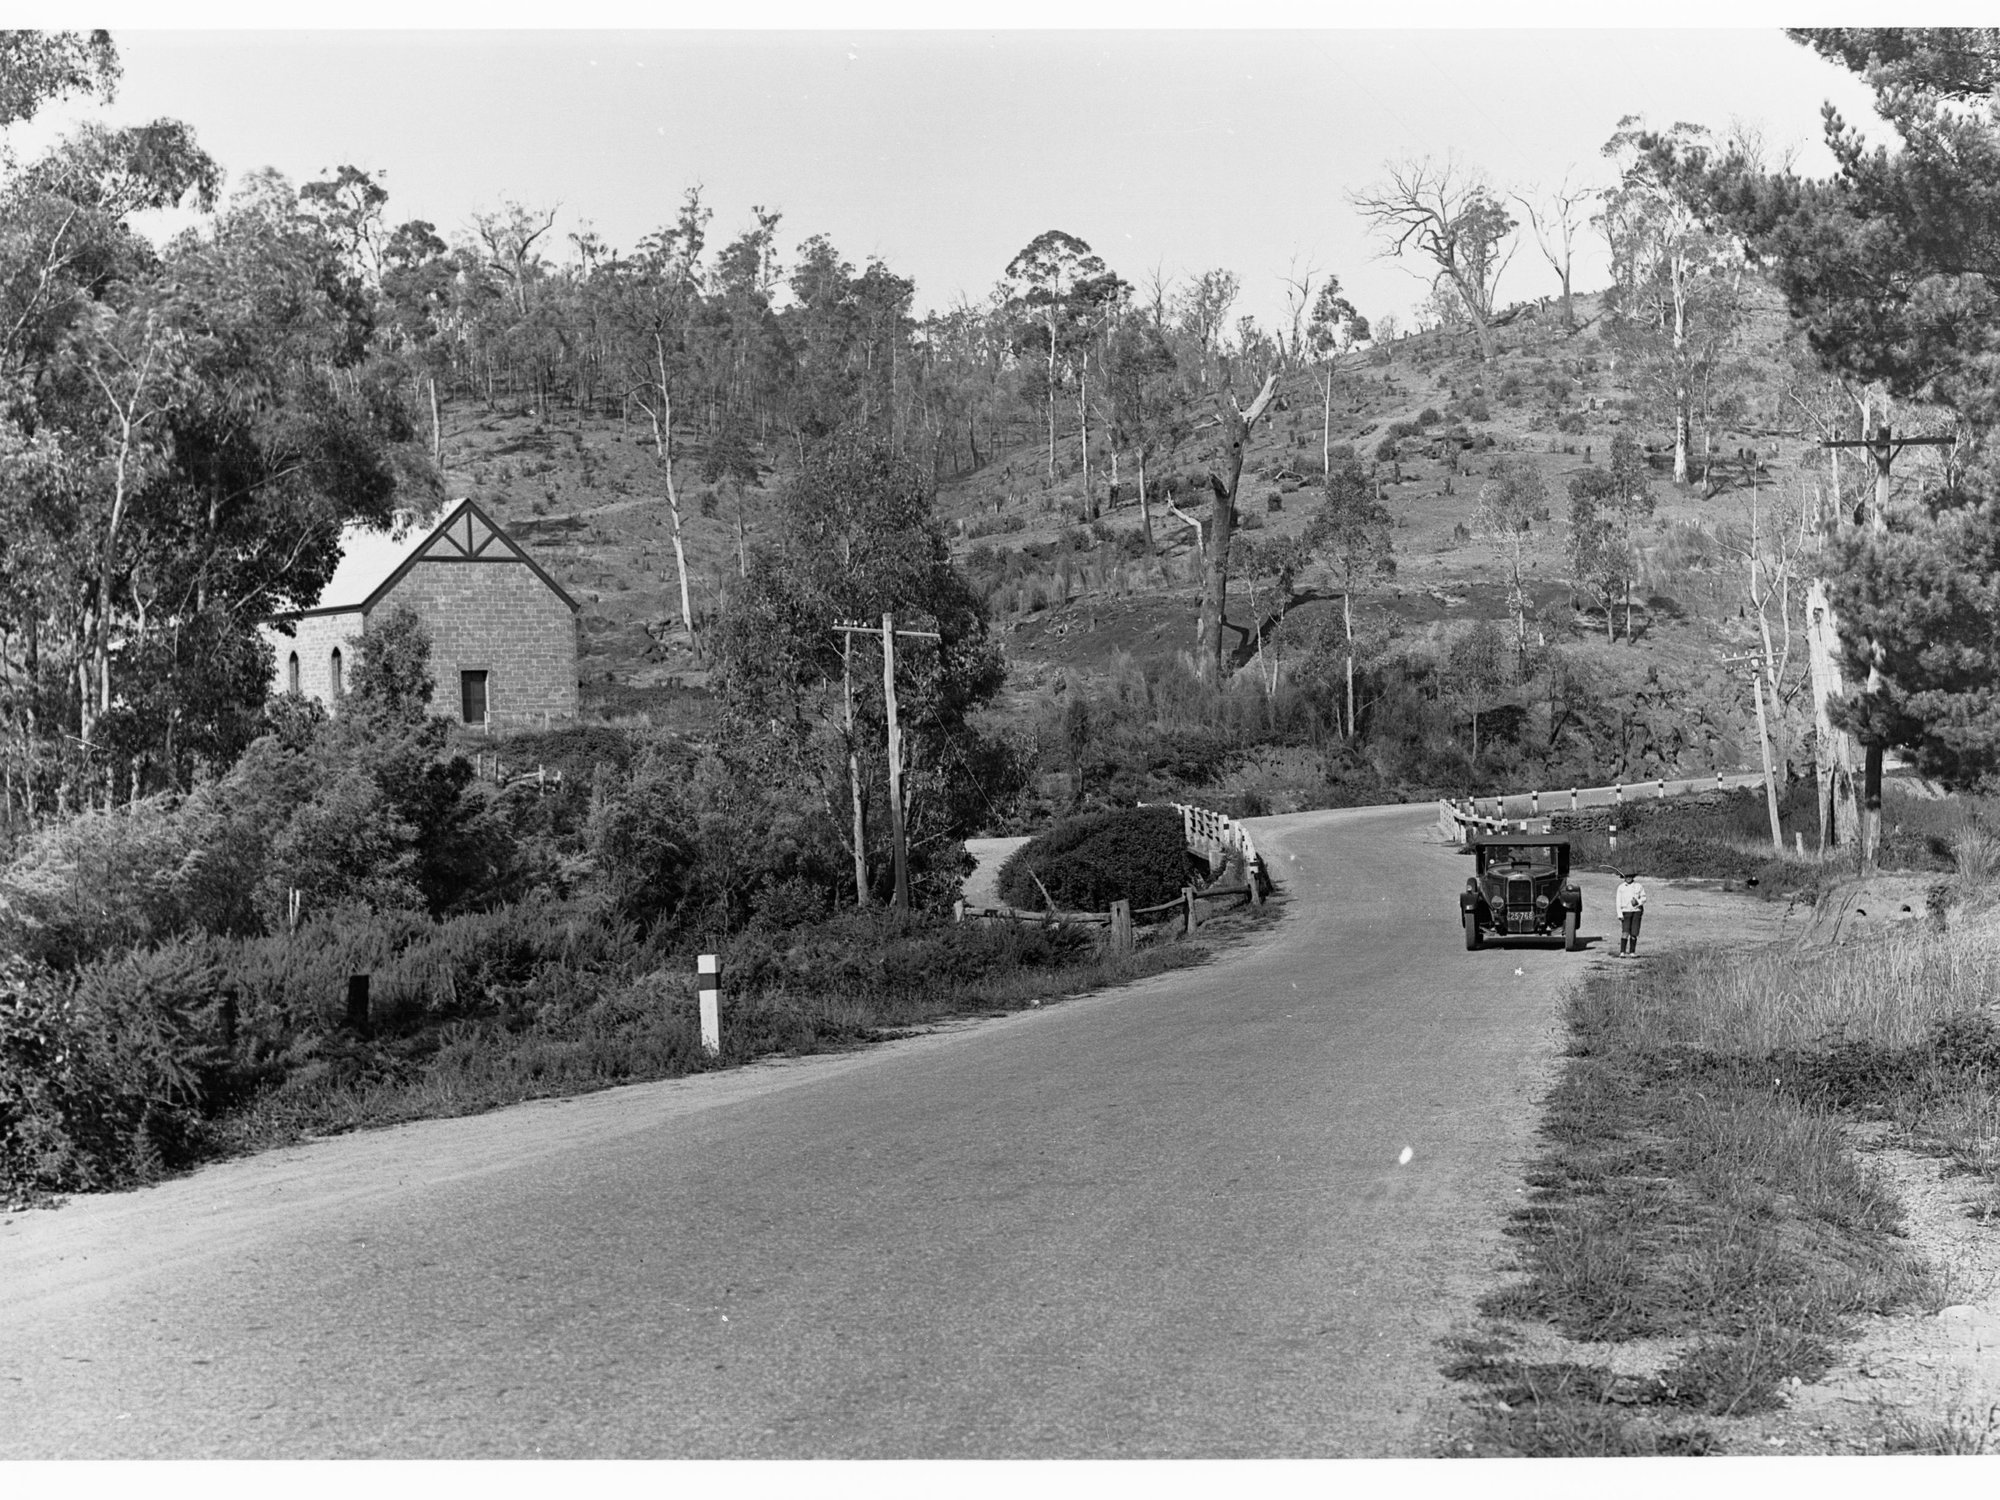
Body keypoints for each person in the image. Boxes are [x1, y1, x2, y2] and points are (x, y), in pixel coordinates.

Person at [1615, 870, 1647, 957]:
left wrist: (1637, 902)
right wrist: (1619, 914)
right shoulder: (1621, 887)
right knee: (1625, 931)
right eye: (1626, 876)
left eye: (1630, 876)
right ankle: (1622, 951)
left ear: (1633, 877)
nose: (1628, 878)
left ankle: (1632, 952)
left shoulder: (1638, 886)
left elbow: (1644, 898)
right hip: (1625, 912)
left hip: (1636, 912)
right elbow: (1618, 902)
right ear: (1624, 877)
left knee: (1634, 932)